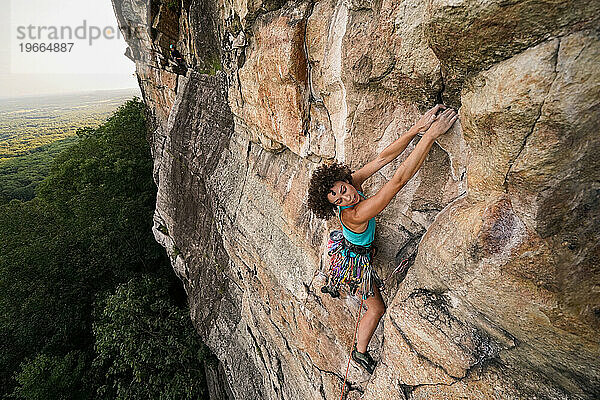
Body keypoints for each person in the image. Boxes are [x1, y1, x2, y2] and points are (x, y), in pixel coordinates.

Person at [307, 105, 458, 374]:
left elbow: (382, 159)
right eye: (338, 200)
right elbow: (397, 181)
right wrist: (431, 136)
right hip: (354, 261)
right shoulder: (356, 213)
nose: (346, 197)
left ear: (344, 180)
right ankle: (359, 352)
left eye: (343, 190)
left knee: (372, 304)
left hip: (350, 249)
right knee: (375, 309)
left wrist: (416, 130)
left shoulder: (352, 184)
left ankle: (352, 332)